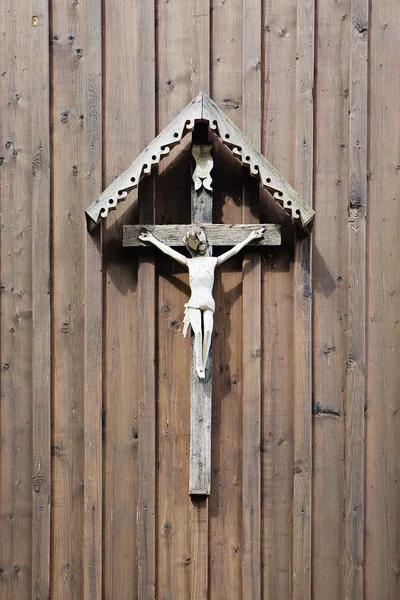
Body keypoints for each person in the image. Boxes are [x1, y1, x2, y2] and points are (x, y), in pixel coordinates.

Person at [139, 225, 264, 378]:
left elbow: (234, 251)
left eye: (204, 245)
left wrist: (250, 237)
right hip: (194, 302)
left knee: (208, 331)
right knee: (198, 332)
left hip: (208, 302)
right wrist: (152, 240)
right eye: (200, 245)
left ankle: (202, 364)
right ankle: (199, 366)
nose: (203, 248)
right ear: (196, 248)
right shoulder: (189, 262)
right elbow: (169, 251)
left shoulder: (213, 261)